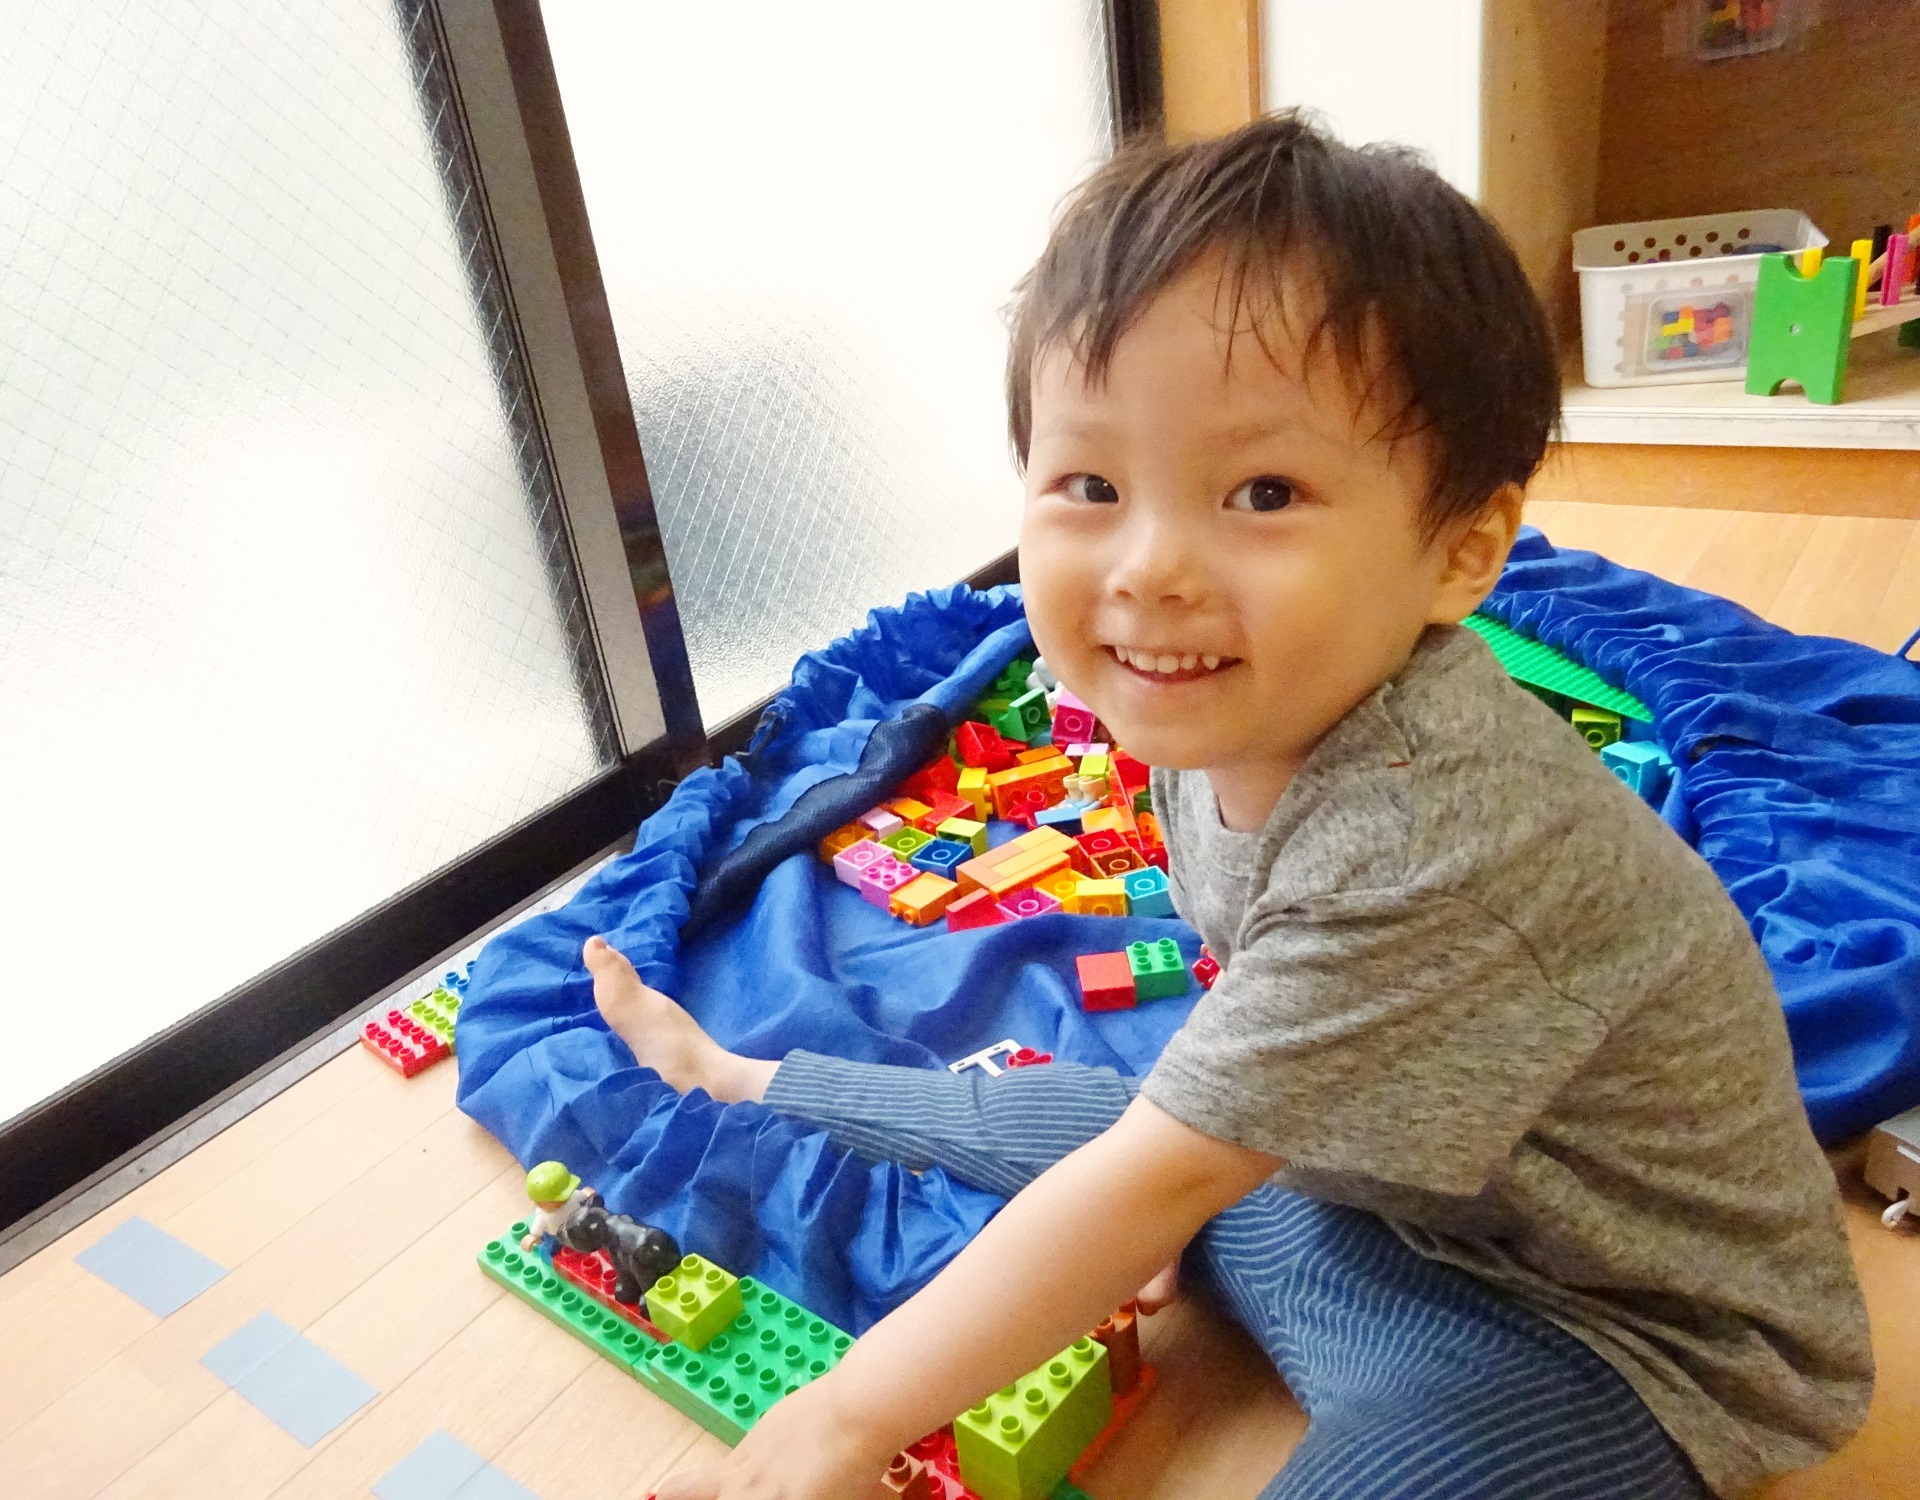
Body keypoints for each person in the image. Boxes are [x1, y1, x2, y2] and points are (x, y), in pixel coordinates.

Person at [580, 114, 1873, 1499]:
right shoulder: (1220, 713)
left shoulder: (1433, 841)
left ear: (1463, 551)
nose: (1149, 568)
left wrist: (841, 1422)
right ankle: (744, 1076)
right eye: (1091, 484)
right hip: (1382, 1211)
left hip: (1624, 1341)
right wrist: (1155, 1190)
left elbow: (1166, 1173)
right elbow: (1170, 1142)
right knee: (1108, 1133)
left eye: (1262, 492)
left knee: (1148, 1171)